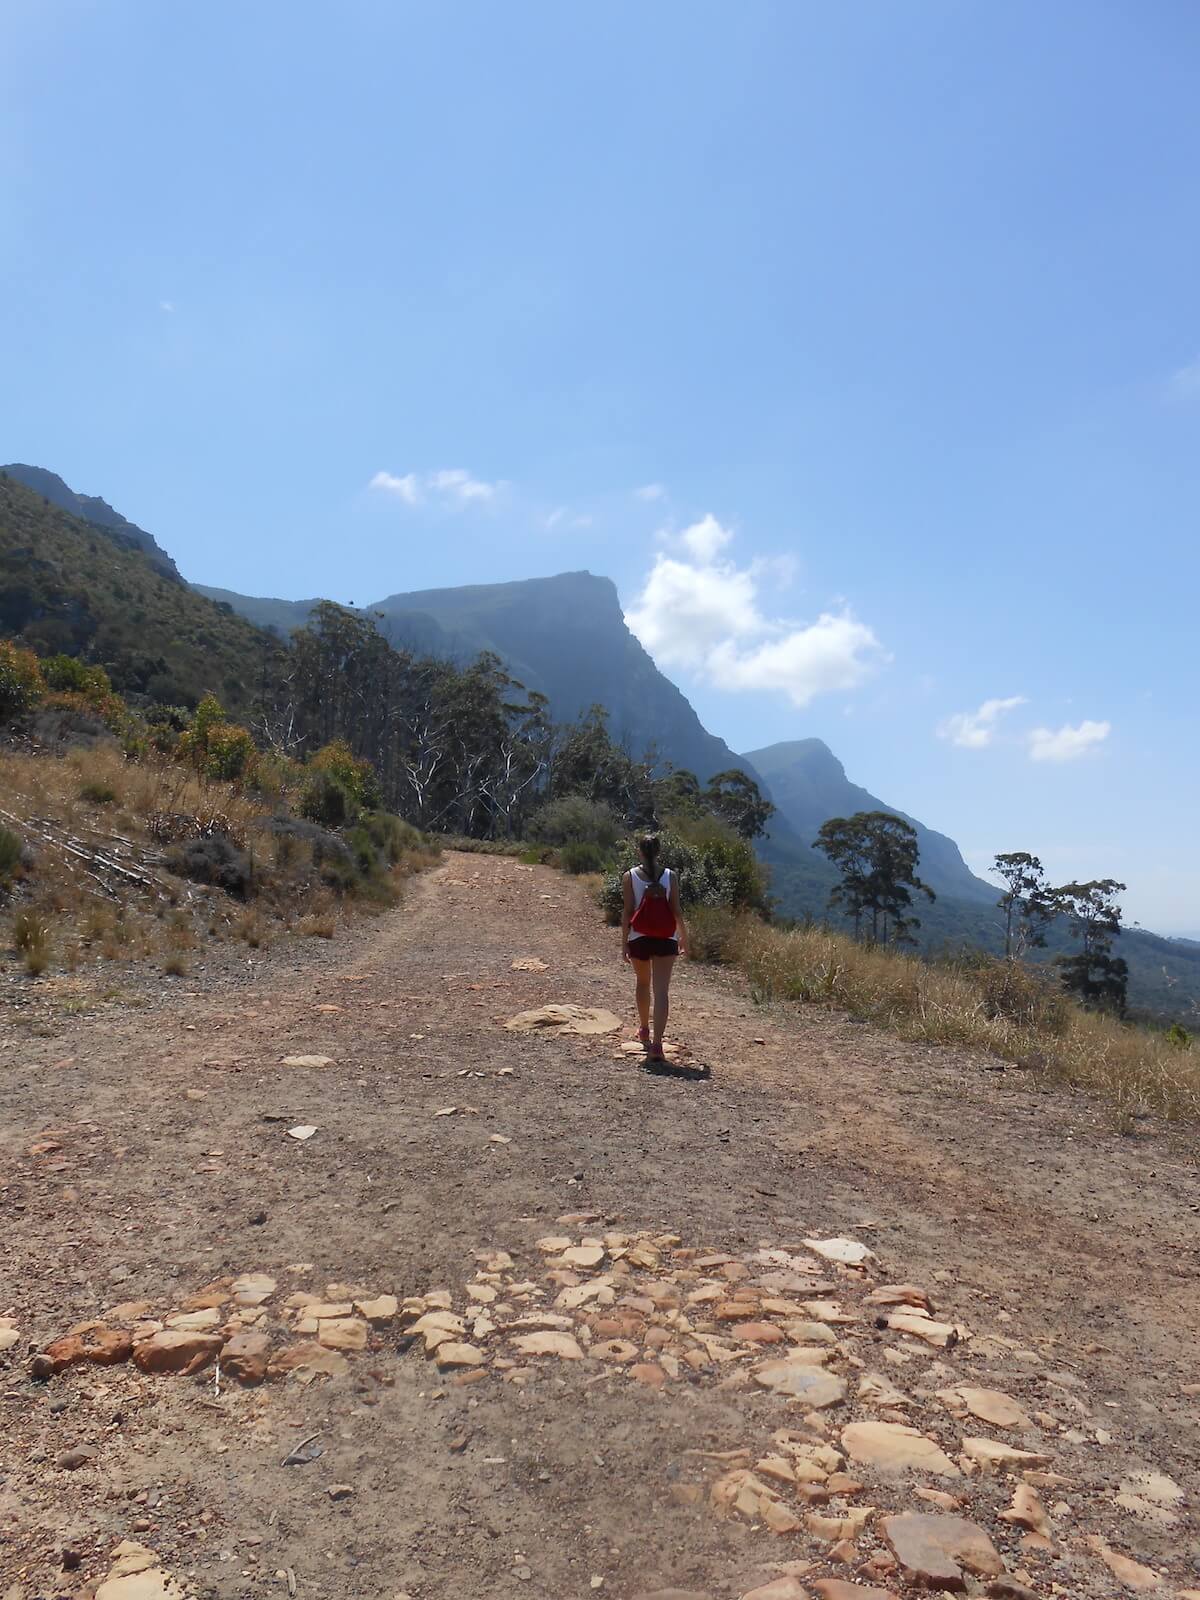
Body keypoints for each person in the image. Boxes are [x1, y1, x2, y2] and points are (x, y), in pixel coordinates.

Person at [621, 833, 688, 1063]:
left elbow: (628, 912)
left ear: (639, 851)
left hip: (639, 937)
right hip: (666, 938)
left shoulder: (629, 876)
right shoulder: (671, 876)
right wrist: (683, 936)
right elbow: (676, 910)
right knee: (661, 992)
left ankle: (643, 1029)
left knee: (642, 983)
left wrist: (624, 943)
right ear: (659, 852)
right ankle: (658, 1045)